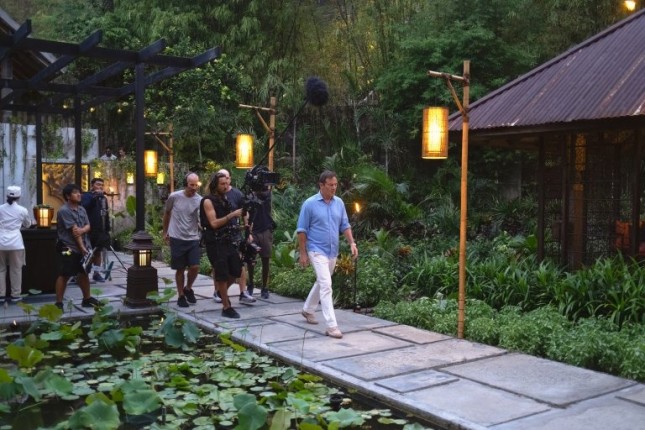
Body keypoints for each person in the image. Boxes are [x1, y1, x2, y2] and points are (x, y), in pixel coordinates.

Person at [297, 170, 358, 339]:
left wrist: (352, 243)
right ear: (321, 185)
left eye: (335, 185)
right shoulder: (309, 204)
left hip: (332, 251)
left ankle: (308, 309)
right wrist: (303, 253)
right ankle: (332, 326)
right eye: (330, 185)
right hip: (316, 249)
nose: (334, 188)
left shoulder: (339, 203)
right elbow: (301, 230)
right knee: (326, 285)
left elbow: (345, 225)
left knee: (322, 281)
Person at [200, 172, 245, 318]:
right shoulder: (208, 201)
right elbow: (213, 223)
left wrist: (241, 227)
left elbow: (227, 222)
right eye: (222, 184)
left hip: (227, 239)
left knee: (236, 270)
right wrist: (232, 215)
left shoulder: (224, 199)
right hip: (214, 241)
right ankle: (226, 307)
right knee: (222, 274)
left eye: (227, 183)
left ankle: (220, 291)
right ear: (215, 185)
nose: (226, 186)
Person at [212, 169, 256, 304]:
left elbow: (244, 212)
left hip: (235, 233)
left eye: (226, 178)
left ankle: (243, 292)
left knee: (240, 262)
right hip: (219, 235)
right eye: (221, 180)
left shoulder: (237, 194)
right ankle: (218, 291)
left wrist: (247, 230)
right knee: (219, 265)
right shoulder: (212, 198)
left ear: (230, 179)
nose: (225, 182)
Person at [54, 184, 101, 310]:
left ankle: (87, 299)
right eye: (75, 193)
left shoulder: (81, 209)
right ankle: (59, 303)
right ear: (68, 196)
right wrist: (83, 249)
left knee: (83, 273)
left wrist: (82, 230)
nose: (79, 194)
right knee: (64, 274)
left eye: (79, 192)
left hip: (84, 246)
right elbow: (75, 233)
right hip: (67, 248)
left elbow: (88, 226)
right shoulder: (64, 211)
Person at [162, 172, 202, 307]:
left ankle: (188, 288)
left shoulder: (199, 200)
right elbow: (167, 213)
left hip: (193, 237)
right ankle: (180, 295)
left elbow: (201, 218)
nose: (194, 188)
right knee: (180, 268)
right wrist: (165, 232)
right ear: (186, 184)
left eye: (196, 185)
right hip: (177, 236)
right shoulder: (174, 197)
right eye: (191, 185)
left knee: (195, 266)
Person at [0, 186, 33, 303]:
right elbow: (28, 224)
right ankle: (15, 295)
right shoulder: (22, 210)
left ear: (6, 196)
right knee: (16, 270)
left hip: (1, 242)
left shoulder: (0, 209)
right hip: (16, 243)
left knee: (1, 269)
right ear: (19, 197)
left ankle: (1, 295)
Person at [81, 178, 111, 282]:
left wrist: (107, 228)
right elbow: (85, 207)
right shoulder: (86, 196)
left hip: (100, 229)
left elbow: (106, 213)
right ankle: (83, 273)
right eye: (98, 184)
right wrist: (95, 197)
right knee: (87, 252)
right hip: (88, 229)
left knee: (98, 251)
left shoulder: (103, 199)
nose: (100, 187)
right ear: (92, 185)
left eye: (102, 185)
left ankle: (96, 274)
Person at [247, 186, 274, 299]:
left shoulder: (267, 193)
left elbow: (265, 195)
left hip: (265, 228)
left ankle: (265, 287)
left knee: (266, 259)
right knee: (251, 259)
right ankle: (250, 284)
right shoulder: (250, 195)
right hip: (253, 230)